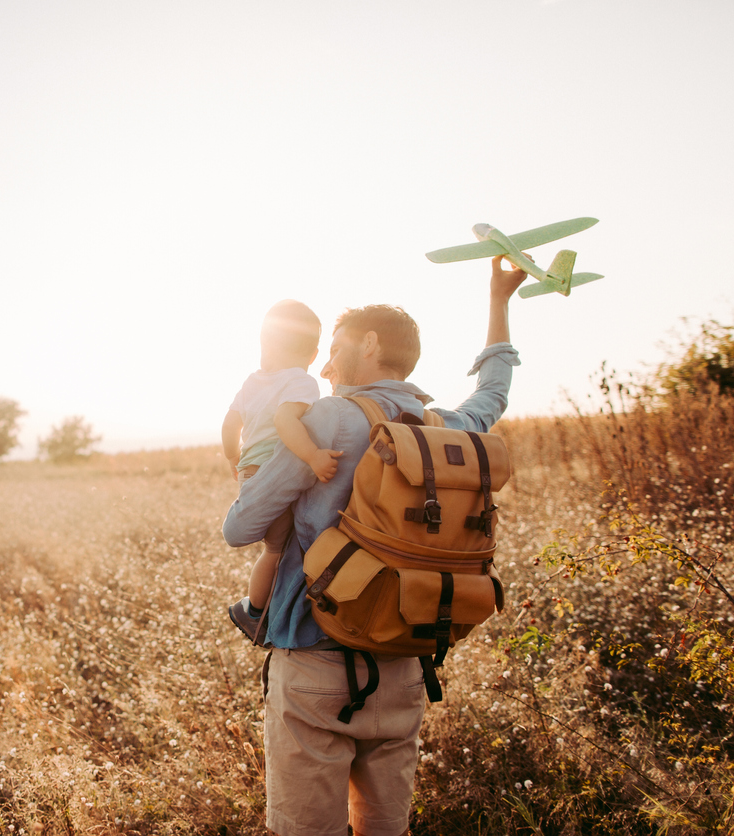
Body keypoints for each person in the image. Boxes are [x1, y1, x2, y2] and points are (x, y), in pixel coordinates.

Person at [222, 258, 528, 836]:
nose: (328, 363)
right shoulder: (445, 428)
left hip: (315, 664)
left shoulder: (330, 418)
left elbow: (240, 529)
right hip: (405, 664)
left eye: (336, 348)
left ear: (368, 344)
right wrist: (499, 301)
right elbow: (495, 391)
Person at [222, 300, 343, 644]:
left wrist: (233, 457)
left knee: (275, 546)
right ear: (314, 353)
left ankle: (265, 607)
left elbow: (230, 423)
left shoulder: (252, 382)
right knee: (276, 550)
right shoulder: (301, 382)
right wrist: (314, 455)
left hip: (249, 470)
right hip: (270, 471)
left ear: (266, 344)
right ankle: (255, 611)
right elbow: (284, 421)